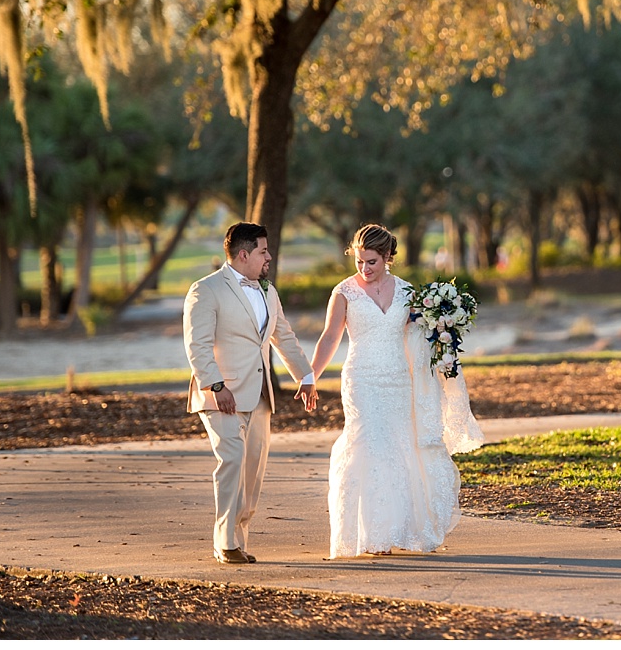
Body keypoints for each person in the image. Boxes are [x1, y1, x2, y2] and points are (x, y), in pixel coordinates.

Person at [301, 223, 483, 558]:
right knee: (368, 443)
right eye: (359, 262)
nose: (364, 269)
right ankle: (370, 535)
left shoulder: (407, 293)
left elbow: (420, 334)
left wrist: (441, 328)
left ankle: (397, 529)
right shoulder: (343, 292)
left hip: (400, 379)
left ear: (387, 257)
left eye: (371, 261)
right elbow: (330, 337)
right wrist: (309, 376)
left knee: (399, 446)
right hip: (361, 379)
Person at [184, 222, 318, 565]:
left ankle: (238, 539)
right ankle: (225, 542)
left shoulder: (267, 291)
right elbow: (197, 345)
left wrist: (305, 376)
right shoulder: (206, 290)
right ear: (244, 255)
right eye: (263, 251)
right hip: (222, 394)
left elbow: (283, 336)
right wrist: (216, 386)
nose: (268, 257)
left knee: (252, 472)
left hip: (259, 396)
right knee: (231, 463)